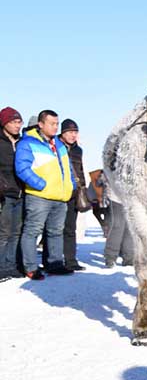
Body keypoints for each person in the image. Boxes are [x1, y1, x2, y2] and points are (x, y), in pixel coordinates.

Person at [15, 110, 76, 279]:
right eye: (52, 123)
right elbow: (22, 168)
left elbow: (68, 168)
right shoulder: (28, 143)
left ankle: (55, 264)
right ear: (41, 124)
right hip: (39, 197)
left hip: (60, 197)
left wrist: (71, 185)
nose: (55, 127)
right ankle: (31, 267)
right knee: (32, 231)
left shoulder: (59, 144)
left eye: (57, 124)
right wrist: (40, 185)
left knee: (56, 232)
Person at [56, 119, 87, 271]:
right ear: (62, 133)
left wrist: (84, 189)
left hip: (73, 194)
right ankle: (52, 261)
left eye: (75, 132)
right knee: (53, 229)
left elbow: (80, 170)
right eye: (70, 132)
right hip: (56, 193)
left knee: (70, 228)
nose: (73, 135)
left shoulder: (77, 150)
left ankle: (71, 261)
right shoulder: (54, 146)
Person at [0, 107, 25, 281]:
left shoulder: (22, 142)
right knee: (3, 232)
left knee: (16, 232)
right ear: (4, 123)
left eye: (18, 122)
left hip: (20, 193)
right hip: (4, 193)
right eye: (13, 122)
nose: (17, 126)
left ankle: (10, 266)